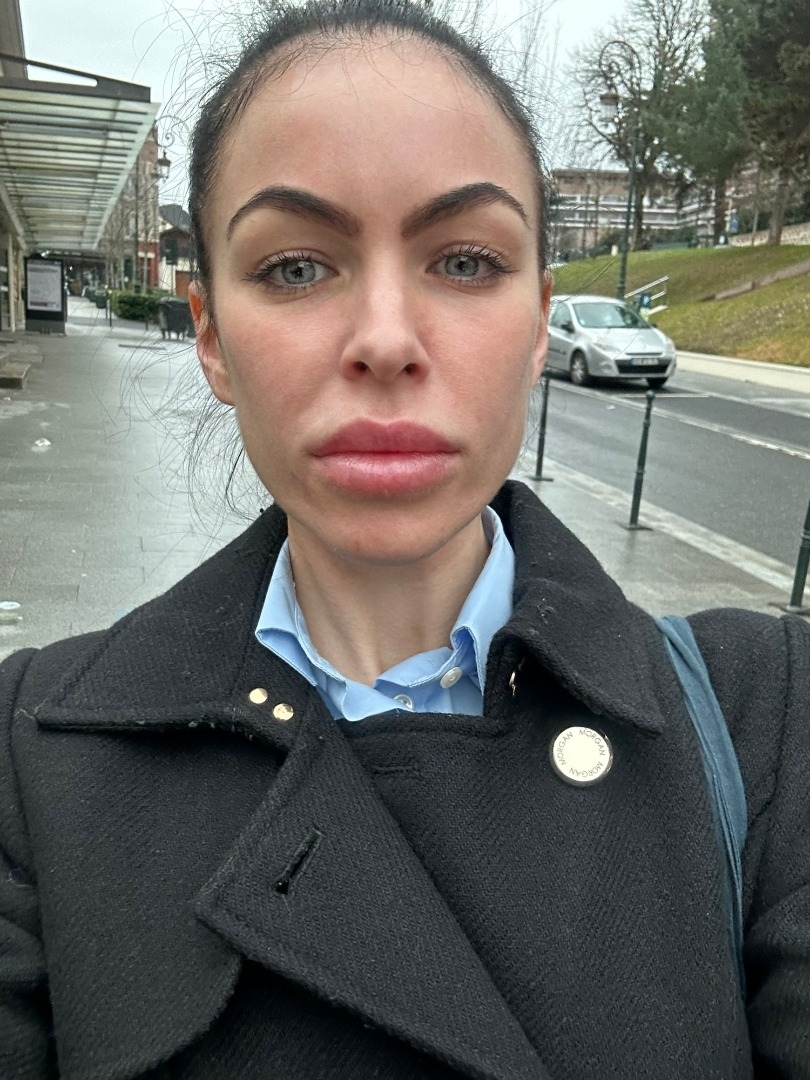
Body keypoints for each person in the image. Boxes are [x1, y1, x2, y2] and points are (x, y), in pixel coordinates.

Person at [1, 1, 809, 1076]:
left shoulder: (767, 724)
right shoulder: (31, 760)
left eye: (465, 261)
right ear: (212, 337)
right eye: (296, 267)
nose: (385, 341)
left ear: (538, 324)